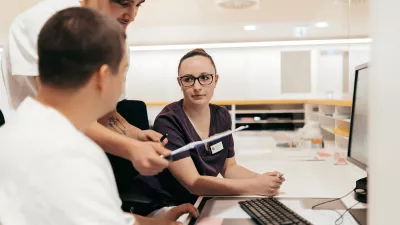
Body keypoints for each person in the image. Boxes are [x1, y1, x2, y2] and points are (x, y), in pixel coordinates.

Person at [0, 7, 198, 225]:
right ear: (103, 77)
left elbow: (96, 215)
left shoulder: (14, 133)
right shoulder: (75, 156)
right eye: (122, 72)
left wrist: (156, 222)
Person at [1, 0, 170, 176]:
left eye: (138, 5)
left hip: (81, 162)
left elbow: (106, 114)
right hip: (37, 161)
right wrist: (130, 148)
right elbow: (59, 110)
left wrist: (136, 135)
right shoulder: (41, 22)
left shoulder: (114, 38)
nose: (132, 16)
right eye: (124, 2)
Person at [150, 48, 286, 206]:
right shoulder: (168, 121)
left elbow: (229, 167)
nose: (197, 86)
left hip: (207, 200)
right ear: (180, 83)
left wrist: (263, 179)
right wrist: (254, 186)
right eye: (188, 79)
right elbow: (193, 183)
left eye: (204, 78)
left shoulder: (221, 116)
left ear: (215, 80)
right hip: (172, 207)